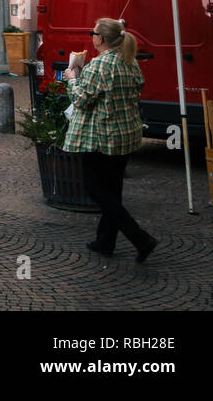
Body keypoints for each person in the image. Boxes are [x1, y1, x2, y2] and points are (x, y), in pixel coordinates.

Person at [63, 17, 156, 262]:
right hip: (124, 135)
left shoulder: (100, 65)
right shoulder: (130, 62)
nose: (91, 36)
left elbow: (82, 99)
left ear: (101, 38)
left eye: (93, 32)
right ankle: (105, 241)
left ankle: (140, 238)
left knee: (95, 190)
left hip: (99, 137)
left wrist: (72, 79)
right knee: (113, 191)